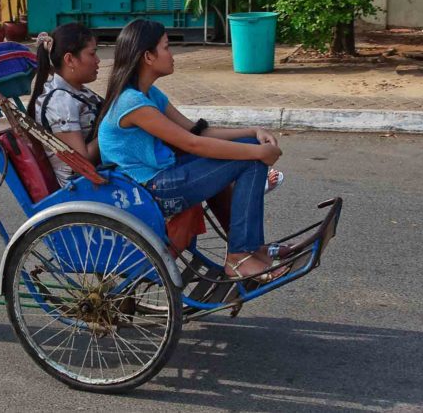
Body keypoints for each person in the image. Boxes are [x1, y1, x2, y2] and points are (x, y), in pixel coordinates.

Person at [97, 19, 288, 281]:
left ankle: (250, 250)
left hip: (161, 178)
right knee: (250, 158)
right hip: (151, 189)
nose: (172, 54)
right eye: (166, 47)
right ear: (148, 56)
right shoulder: (132, 103)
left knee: (251, 150)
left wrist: (251, 131)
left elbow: (195, 130)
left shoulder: (149, 95)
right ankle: (239, 257)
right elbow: (192, 144)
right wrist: (257, 153)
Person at [27, 23, 102, 185]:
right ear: (70, 59)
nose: (98, 60)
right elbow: (81, 162)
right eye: (92, 54)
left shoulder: (77, 91)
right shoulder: (60, 102)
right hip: (83, 187)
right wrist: (111, 131)